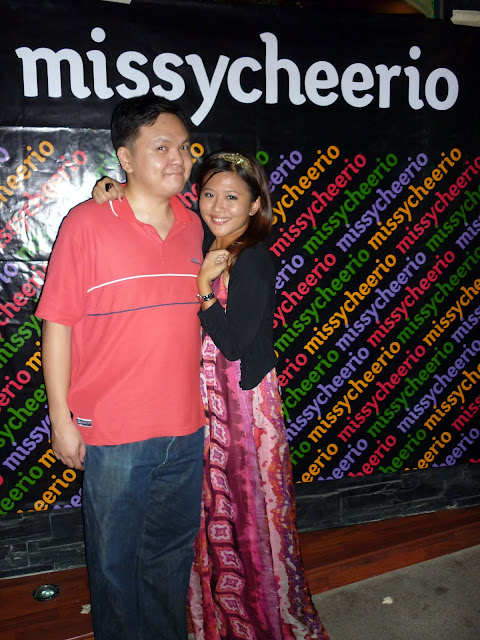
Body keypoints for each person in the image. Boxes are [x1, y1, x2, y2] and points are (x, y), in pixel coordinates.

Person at [95, 150, 330, 639]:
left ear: (255, 205)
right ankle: (214, 617)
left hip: (242, 406)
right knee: (207, 512)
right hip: (201, 399)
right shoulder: (203, 238)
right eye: (208, 194)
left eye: (232, 197)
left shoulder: (252, 258)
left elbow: (236, 344)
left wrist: (204, 288)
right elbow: (158, 209)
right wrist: (112, 189)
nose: (218, 206)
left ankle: (256, 618)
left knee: (245, 511)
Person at [37, 95, 206, 640]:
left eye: (184, 147)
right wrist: (61, 420)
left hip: (186, 430)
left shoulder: (197, 225)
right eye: (161, 147)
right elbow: (57, 325)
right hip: (113, 434)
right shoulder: (86, 224)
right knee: (114, 568)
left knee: (169, 560)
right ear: (126, 158)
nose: (178, 158)